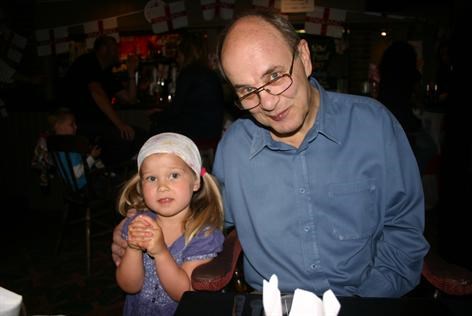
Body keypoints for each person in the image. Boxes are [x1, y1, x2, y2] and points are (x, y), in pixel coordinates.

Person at [113, 10, 429, 298]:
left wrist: (366, 302)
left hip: (364, 300)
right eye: (247, 91)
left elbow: (403, 232)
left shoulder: (373, 126)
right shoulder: (235, 147)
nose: (267, 102)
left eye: (274, 76)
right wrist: (136, 226)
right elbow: (203, 218)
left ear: (304, 57)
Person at [115, 132, 224, 315]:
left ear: (196, 181)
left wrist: (160, 252)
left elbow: (184, 293)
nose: (162, 186)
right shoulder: (138, 224)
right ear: (141, 187)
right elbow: (129, 286)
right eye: (151, 178)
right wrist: (133, 248)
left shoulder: (203, 235)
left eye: (173, 175)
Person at [61, 35, 143, 166]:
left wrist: (132, 72)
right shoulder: (88, 61)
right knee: (127, 138)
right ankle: (112, 173)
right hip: (79, 124)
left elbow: (130, 99)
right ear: (104, 49)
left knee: (137, 136)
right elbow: (97, 92)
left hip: (96, 125)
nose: (118, 52)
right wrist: (120, 124)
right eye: (115, 48)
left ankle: (112, 172)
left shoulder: (106, 73)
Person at [150, 32, 224, 146]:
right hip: (214, 130)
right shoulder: (210, 73)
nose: (177, 59)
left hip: (197, 133)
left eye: (178, 55)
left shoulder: (188, 73)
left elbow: (176, 109)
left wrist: (157, 115)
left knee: (157, 128)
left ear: (184, 54)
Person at [377, 41, 437, 174]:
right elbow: (413, 92)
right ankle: (411, 176)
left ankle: (407, 175)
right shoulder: (408, 74)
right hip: (403, 122)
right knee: (429, 148)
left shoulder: (387, 73)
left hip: (388, 120)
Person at [31, 107, 104, 191]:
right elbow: (77, 173)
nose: (76, 127)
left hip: (68, 186)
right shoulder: (71, 146)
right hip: (83, 185)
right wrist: (92, 157)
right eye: (71, 124)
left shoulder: (54, 143)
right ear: (58, 126)